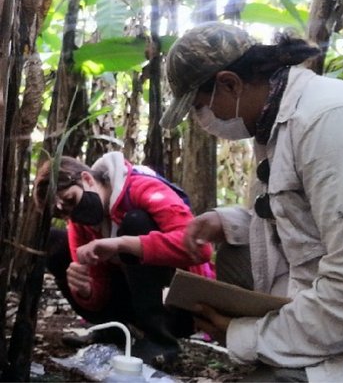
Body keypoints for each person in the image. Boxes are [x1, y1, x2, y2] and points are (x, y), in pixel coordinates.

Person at [159, 22, 343, 381]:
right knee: (235, 252)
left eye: (202, 107)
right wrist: (230, 222)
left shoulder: (330, 124)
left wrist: (246, 337)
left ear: (230, 83)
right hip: (328, 290)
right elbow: (308, 219)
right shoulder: (275, 121)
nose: (203, 121)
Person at [33, 152, 214, 365]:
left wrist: (122, 244)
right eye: (63, 213)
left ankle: (159, 341)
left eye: (71, 200)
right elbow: (99, 294)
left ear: (87, 179)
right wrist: (85, 290)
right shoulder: (80, 224)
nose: (73, 214)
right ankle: (114, 330)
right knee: (55, 243)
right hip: (130, 303)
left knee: (136, 222)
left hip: (179, 307)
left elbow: (201, 250)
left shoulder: (142, 188)